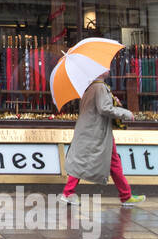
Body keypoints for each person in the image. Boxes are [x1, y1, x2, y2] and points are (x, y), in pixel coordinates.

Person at [59, 69, 146, 207]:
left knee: (112, 163)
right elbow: (104, 109)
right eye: (105, 67)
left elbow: (101, 107)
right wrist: (126, 113)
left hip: (95, 132)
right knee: (82, 161)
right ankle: (68, 193)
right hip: (95, 133)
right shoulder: (99, 87)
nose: (109, 69)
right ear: (99, 71)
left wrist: (112, 101)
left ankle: (126, 195)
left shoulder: (93, 87)